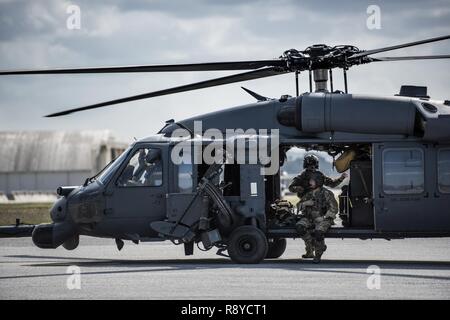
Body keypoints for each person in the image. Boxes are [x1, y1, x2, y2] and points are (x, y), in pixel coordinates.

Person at [288, 154, 346, 259]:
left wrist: (341, 178)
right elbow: (292, 188)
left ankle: (318, 250)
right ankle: (310, 249)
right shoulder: (302, 176)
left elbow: (332, 185)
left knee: (318, 231)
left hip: (320, 214)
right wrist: (300, 189)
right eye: (310, 165)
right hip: (308, 211)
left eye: (313, 165)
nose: (312, 168)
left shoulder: (321, 180)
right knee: (301, 227)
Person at [295, 176, 338, 263]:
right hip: (310, 218)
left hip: (324, 218)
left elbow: (334, 208)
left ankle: (318, 254)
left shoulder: (326, 193)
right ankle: (313, 245)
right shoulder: (309, 193)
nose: (310, 182)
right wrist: (305, 203)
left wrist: (323, 218)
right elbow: (298, 205)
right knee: (300, 226)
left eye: (312, 180)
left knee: (318, 232)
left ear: (318, 182)